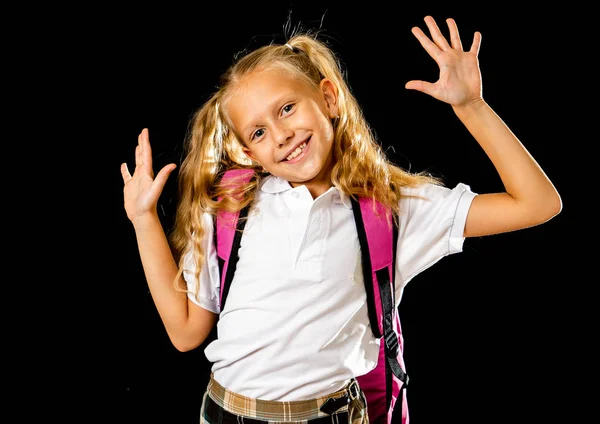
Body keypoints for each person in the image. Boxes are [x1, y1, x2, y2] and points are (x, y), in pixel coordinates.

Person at [120, 15, 562, 424]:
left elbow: (537, 204)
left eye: (287, 108)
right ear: (250, 153)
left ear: (328, 98)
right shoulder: (229, 204)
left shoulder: (392, 205)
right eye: (258, 132)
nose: (281, 134)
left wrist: (471, 106)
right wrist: (143, 219)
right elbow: (184, 332)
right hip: (223, 413)